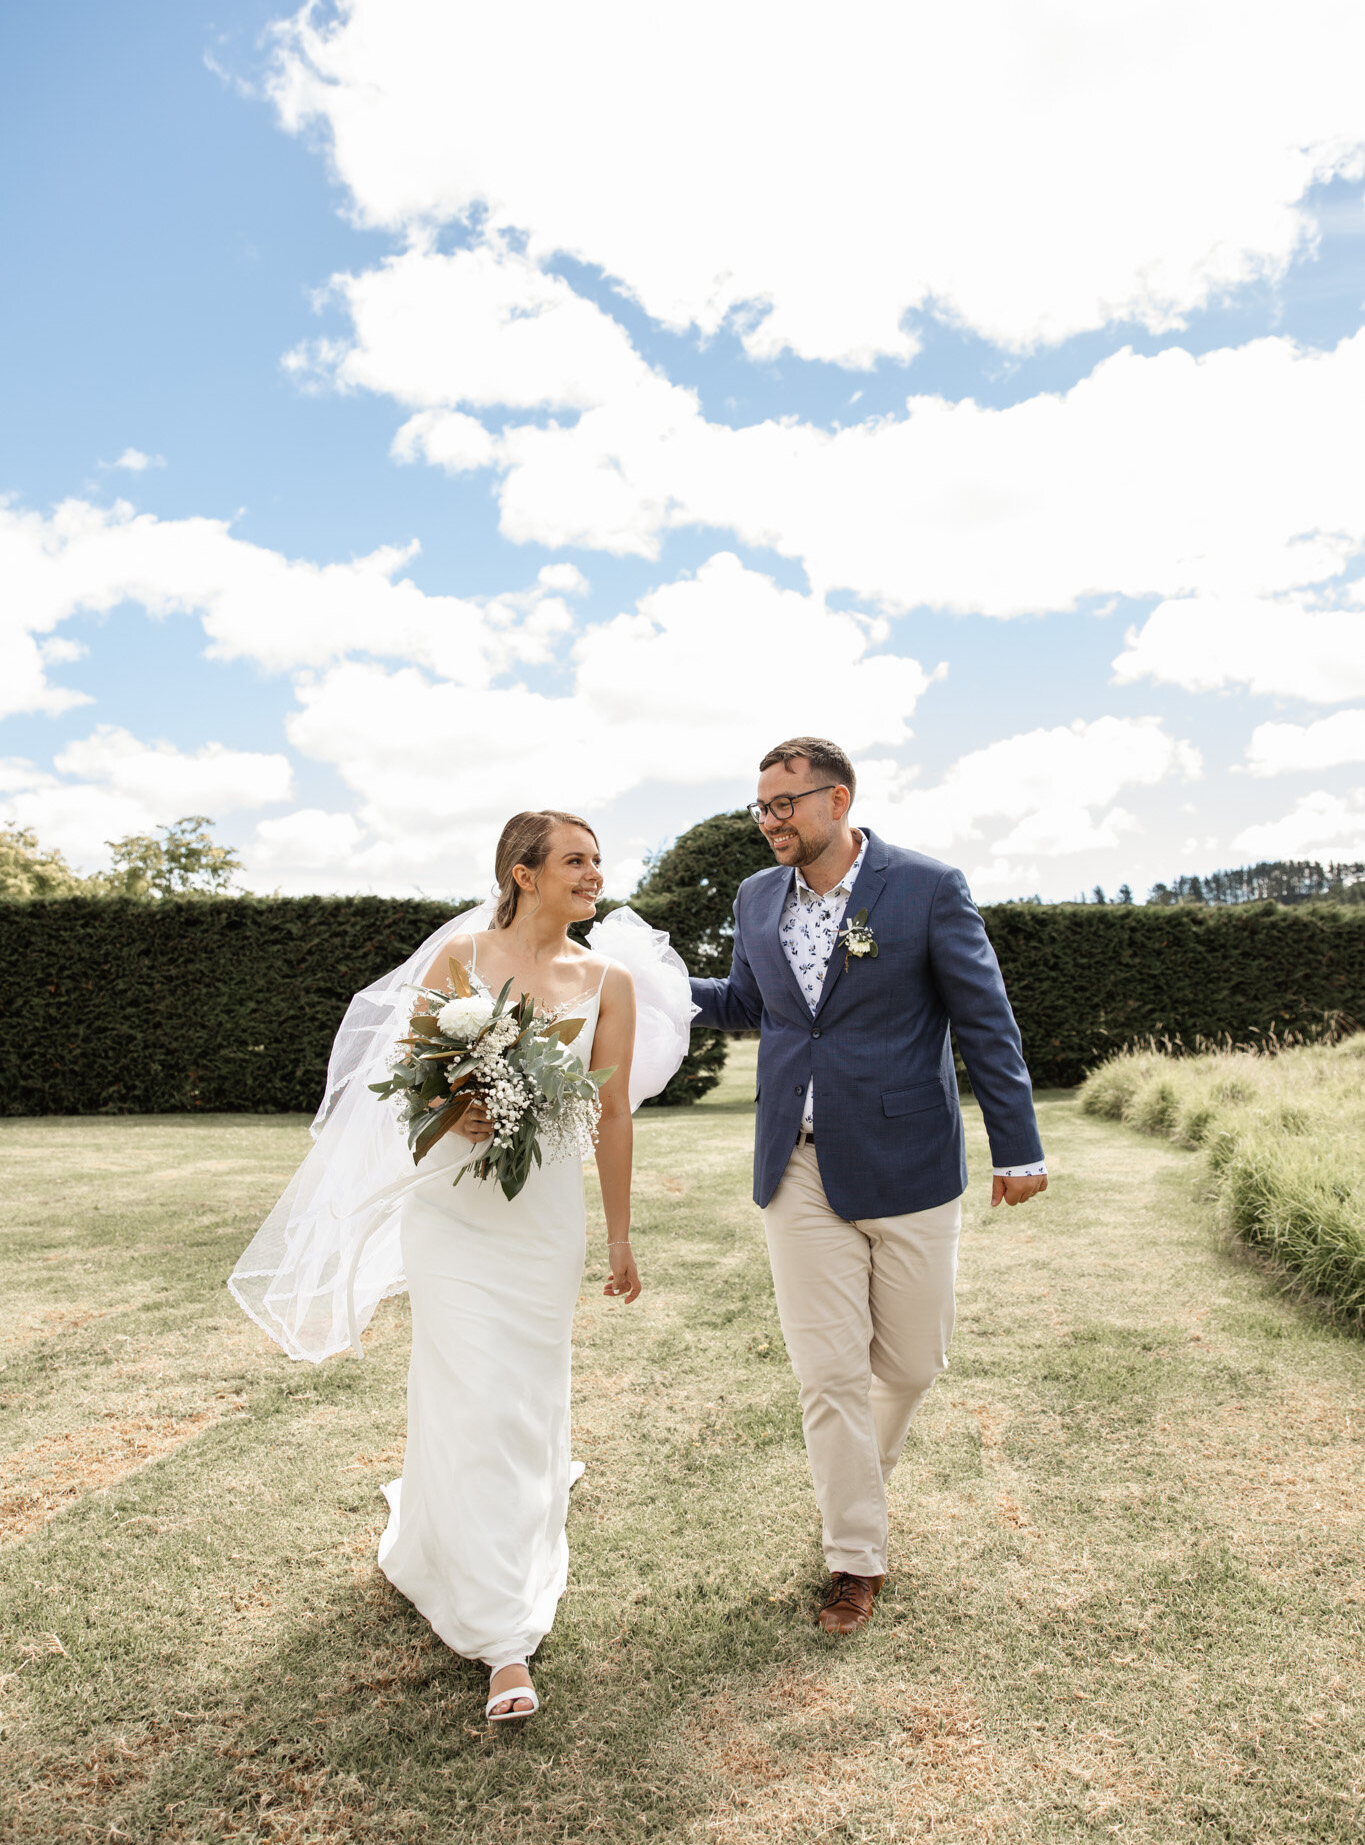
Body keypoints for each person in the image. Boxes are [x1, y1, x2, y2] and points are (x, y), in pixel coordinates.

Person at [228, 810, 695, 1724]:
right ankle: (503, 1641)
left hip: (542, 1220)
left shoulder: (609, 981)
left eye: (597, 861)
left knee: (520, 1395)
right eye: (575, 860)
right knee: (468, 1391)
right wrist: (458, 1113)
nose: (593, 874)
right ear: (523, 873)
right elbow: (408, 1087)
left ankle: (484, 1530)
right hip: (452, 1214)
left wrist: (623, 1236)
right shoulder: (460, 964)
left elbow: (611, 1116)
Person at [688, 738, 1046, 1636]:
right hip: (796, 1165)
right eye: (760, 807)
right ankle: (853, 1556)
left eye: (784, 805)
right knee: (829, 1374)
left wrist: (1018, 1148)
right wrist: (640, 985)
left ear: (836, 799)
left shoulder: (925, 887)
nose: (769, 821)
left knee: (913, 1364)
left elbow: (984, 1020)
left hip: (908, 1162)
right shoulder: (754, 897)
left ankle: (854, 1491)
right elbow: (747, 1003)